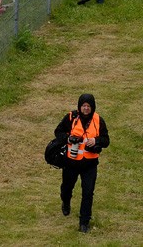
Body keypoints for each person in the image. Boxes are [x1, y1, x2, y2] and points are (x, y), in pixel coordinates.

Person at [54, 93, 110, 233]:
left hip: (90, 165)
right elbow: (58, 132)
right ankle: (66, 202)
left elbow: (106, 140)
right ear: (79, 107)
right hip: (71, 163)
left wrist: (96, 141)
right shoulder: (71, 117)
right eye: (83, 106)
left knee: (88, 193)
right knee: (66, 188)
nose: (86, 108)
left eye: (88, 106)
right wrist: (69, 138)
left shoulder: (99, 120)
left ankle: (84, 222)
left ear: (93, 107)